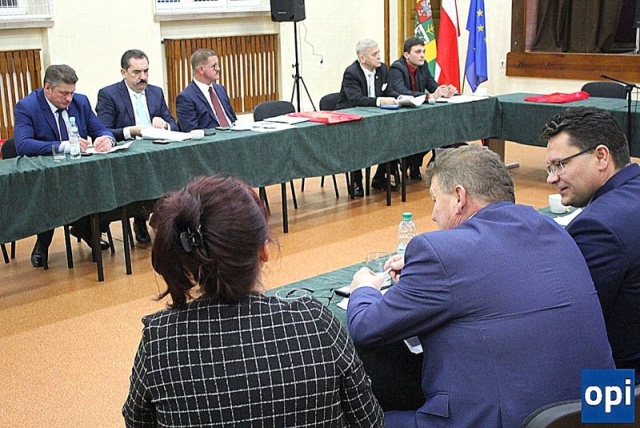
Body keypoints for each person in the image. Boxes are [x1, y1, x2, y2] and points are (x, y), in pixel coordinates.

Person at [346, 145, 615, 427]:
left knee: (358, 418)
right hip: (605, 414)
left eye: (435, 200)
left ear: (459, 197)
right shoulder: (557, 232)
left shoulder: (440, 253)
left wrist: (364, 288)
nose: (434, 215)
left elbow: (366, 328)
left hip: (514, 419)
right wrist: (422, 278)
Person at [122, 174, 383, 427]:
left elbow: (137, 421)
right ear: (263, 251)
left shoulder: (159, 343)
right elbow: (369, 420)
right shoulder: (316, 324)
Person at [542, 107, 640, 381]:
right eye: (550, 168)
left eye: (560, 165)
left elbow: (571, 321)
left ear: (601, 156)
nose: (551, 178)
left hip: (621, 384)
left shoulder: (597, 228)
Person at [13, 64, 115, 268]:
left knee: (107, 185)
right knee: (49, 193)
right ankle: (43, 242)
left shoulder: (80, 102)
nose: (69, 98)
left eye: (72, 92)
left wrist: (107, 139)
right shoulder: (27, 106)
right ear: (47, 88)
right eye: (63, 93)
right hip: (47, 175)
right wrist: (65, 146)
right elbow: (22, 144)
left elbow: (102, 130)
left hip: (81, 172)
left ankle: (87, 229)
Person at [96, 49, 178, 245]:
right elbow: (103, 130)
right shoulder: (109, 95)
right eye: (136, 72)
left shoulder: (156, 92)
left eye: (146, 71)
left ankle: (163, 220)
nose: (143, 77)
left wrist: (165, 125)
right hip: (127, 156)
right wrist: (131, 131)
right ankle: (139, 218)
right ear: (123, 72)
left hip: (156, 152)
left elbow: (174, 125)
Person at [336, 39, 401, 198]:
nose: (379, 56)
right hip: (351, 119)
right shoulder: (352, 73)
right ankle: (356, 181)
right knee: (356, 143)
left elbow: (388, 92)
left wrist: (401, 98)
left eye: (378, 53)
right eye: (374, 54)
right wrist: (380, 101)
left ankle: (380, 177)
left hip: (375, 117)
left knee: (393, 134)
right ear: (363, 58)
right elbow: (356, 99)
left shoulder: (382, 69)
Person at [389, 37, 457, 180]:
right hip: (402, 116)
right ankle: (408, 164)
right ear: (406, 55)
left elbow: (432, 85)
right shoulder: (397, 68)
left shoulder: (423, 65)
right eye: (418, 52)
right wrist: (429, 96)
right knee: (422, 132)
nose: (422, 55)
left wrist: (444, 91)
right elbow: (402, 92)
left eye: (424, 52)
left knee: (435, 130)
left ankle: (415, 165)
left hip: (419, 114)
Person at [175, 48, 237, 132]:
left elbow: (233, 119)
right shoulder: (186, 98)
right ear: (201, 70)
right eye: (214, 66)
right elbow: (192, 131)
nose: (218, 69)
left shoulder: (220, 89)